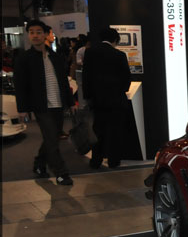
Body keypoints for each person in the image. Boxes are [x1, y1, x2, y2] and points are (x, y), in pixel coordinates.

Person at [14, 19, 76, 185]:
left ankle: (39, 163)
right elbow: (20, 85)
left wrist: (71, 102)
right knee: (52, 139)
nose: (35, 36)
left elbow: (64, 82)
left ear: (46, 34)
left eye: (38, 32)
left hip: (58, 104)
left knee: (52, 137)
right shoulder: (24, 59)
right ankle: (61, 172)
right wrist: (22, 108)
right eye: (31, 32)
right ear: (28, 35)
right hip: (41, 106)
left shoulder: (55, 57)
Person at [82, 27, 132, 169]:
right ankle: (113, 160)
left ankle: (96, 160)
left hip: (97, 100)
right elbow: (126, 77)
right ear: (115, 39)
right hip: (116, 99)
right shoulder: (119, 55)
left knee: (98, 130)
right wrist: (122, 90)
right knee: (115, 131)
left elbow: (86, 77)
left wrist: (88, 96)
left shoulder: (90, 53)